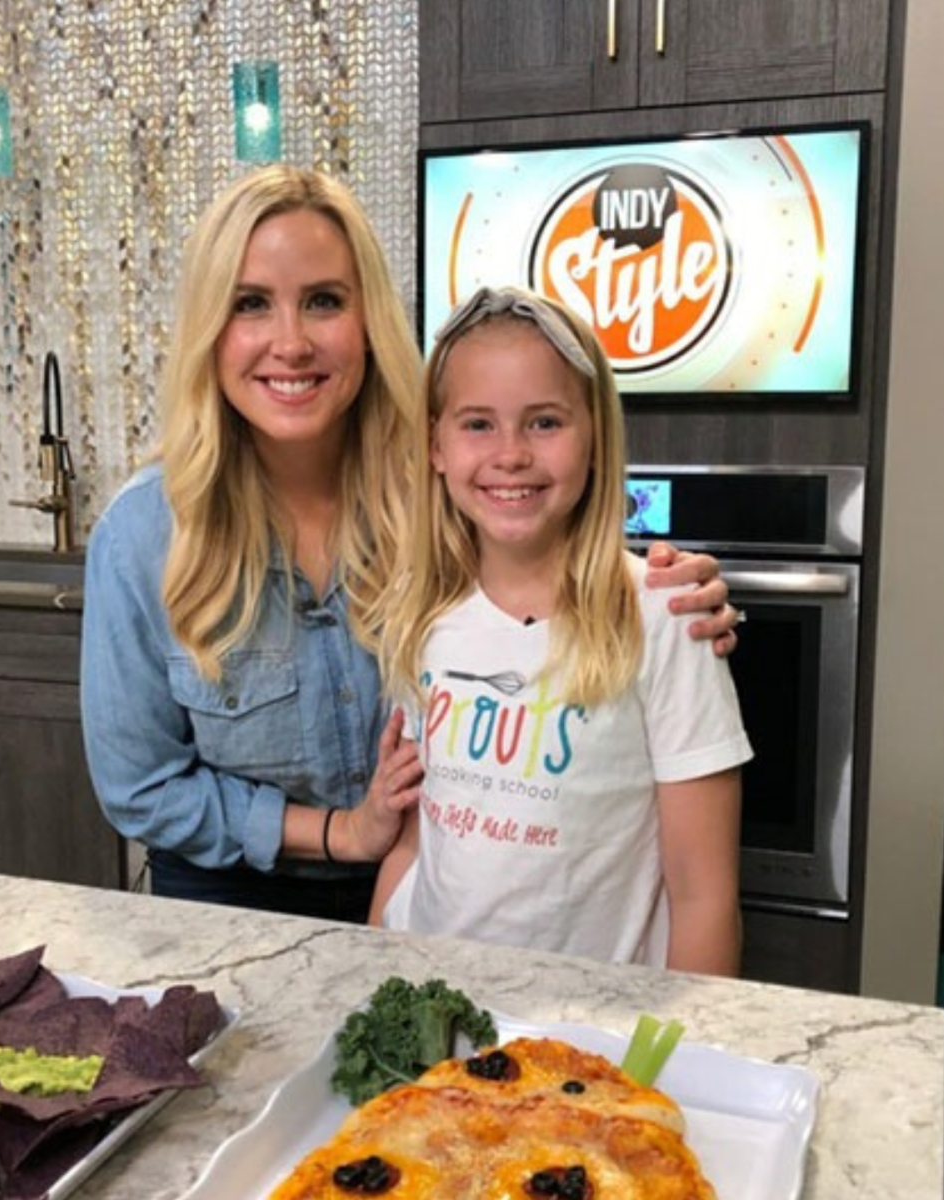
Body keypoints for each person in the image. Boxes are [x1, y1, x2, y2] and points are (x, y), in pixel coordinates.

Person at [81, 166, 739, 924]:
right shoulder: (142, 538)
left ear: (369, 320)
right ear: (208, 328)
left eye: (324, 301)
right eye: (250, 304)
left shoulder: (441, 489)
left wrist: (674, 596)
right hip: (226, 898)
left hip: (428, 890)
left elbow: (559, 566)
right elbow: (141, 787)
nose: (290, 343)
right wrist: (338, 832)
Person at [372, 287, 753, 972]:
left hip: (585, 1035)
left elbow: (704, 898)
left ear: (597, 439)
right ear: (434, 445)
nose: (511, 453)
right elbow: (411, 845)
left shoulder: (663, 616)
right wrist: (370, 986)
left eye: (545, 422)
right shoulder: (419, 611)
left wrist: (692, 1061)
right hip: (435, 1009)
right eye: (477, 424)